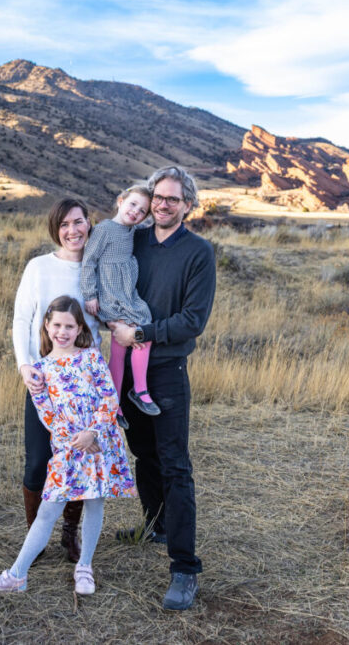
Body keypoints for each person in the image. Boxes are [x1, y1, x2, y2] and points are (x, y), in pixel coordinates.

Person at [109, 166, 216, 611]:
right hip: (125, 369)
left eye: (173, 198)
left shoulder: (198, 252)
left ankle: (185, 568)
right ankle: (156, 526)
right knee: (143, 454)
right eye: (158, 196)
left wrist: (141, 333)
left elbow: (193, 320)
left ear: (188, 205)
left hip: (166, 370)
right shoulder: (133, 241)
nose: (163, 204)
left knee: (175, 466)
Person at [0, 296, 137, 594]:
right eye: (57, 325)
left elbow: (109, 397)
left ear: (79, 329)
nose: (62, 332)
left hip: (99, 441)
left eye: (69, 326)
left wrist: (93, 432)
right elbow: (48, 415)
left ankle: (85, 567)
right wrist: (76, 441)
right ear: (47, 326)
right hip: (69, 448)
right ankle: (16, 575)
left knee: (94, 502)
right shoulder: (39, 370)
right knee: (48, 511)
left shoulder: (91, 358)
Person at [12, 198, 100, 563]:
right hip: (43, 384)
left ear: (89, 223)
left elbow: (111, 322)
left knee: (77, 460)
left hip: (83, 388)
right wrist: (24, 365)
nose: (72, 231)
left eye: (78, 222)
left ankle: (69, 532)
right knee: (38, 463)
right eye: (64, 224)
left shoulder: (98, 269)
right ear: (55, 229)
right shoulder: (39, 267)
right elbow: (21, 319)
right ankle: (35, 537)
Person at [80, 184, 157, 428]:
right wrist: (90, 295)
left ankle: (115, 403)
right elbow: (89, 261)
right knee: (139, 336)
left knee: (126, 345)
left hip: (127, 295)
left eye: (142, 211)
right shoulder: (104, 229)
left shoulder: (132, 230)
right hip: (111, 295)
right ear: (121, 201)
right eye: (133, 204)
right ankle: (139, 390)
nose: (136, 212)